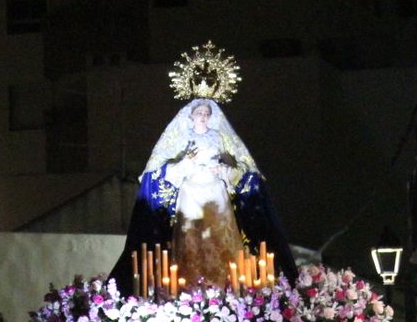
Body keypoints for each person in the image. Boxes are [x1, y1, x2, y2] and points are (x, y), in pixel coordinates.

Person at [109, 96, 295, 291]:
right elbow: (165, 168)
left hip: (216, 191)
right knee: (190, 237)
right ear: (191, 116)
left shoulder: (218, 136)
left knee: (220, 237)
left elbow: (239, 163)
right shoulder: (183, 137)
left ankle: (226, 281)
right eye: (199, 113)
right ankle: (188, 282)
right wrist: (186, 163)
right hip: (191, 192)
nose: (203, 117)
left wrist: (224, 170)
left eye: (207, 113)